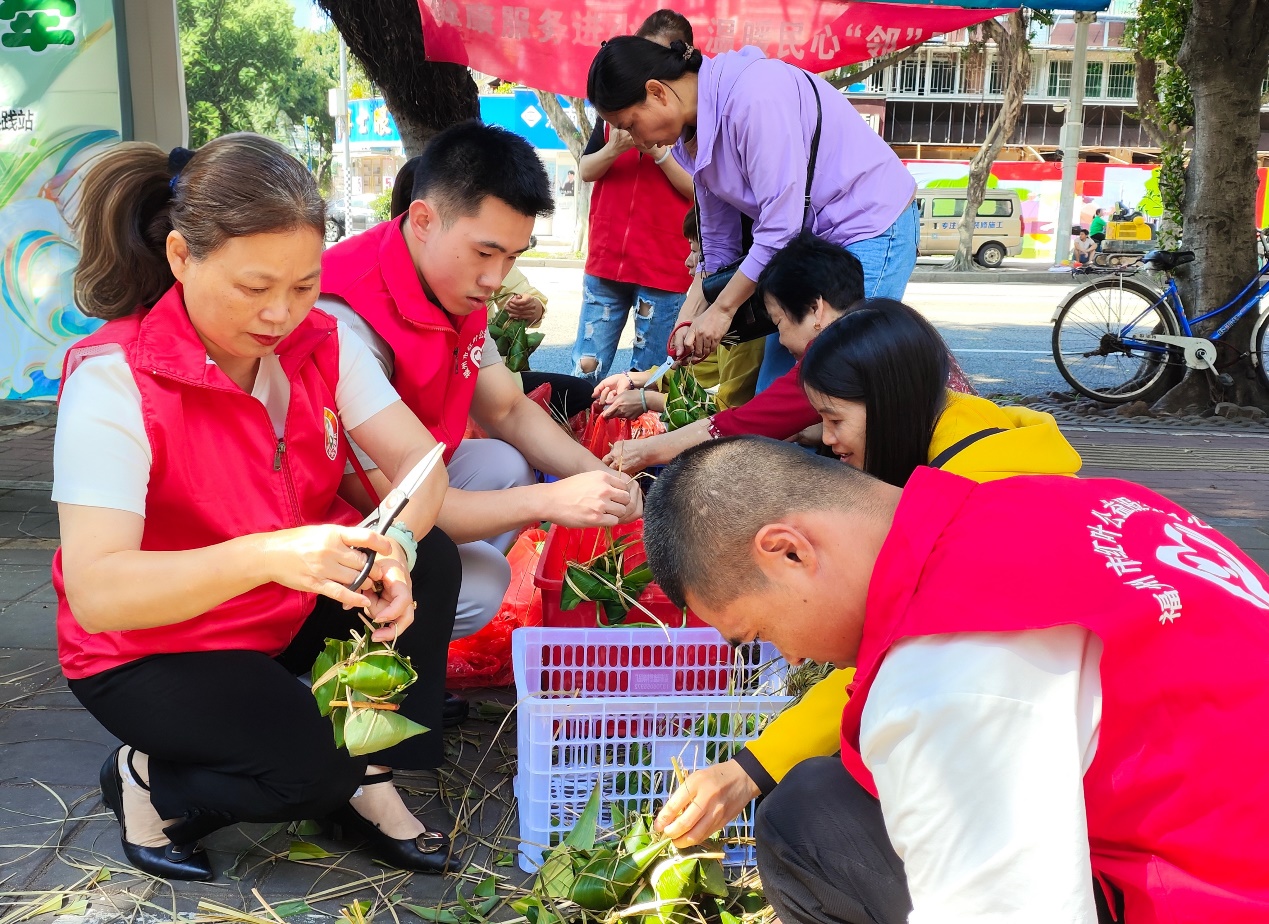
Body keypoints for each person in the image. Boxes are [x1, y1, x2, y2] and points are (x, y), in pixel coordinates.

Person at [644, 437, 1269, 923]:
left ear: (789, 551)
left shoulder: (944, 678)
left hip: (1220, 895)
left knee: (806, 822)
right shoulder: (1045, 498)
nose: (792, 656)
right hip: (1230, 841)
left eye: (759, 635)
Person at [55, 134, 460, 881]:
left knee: (427, 556)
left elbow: (419, 464)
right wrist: (268, 555)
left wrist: (396, 543)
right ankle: (147, 778)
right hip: (150, 649)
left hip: (270, 608)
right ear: (182, 257)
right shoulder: (114, 381)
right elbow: (98, 590)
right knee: (307, 779)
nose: (281, 313)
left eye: (304, 285)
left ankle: (370, 779)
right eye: (254, 287)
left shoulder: (320, 343)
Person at [644, 298, 1082, 842]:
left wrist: (751, 769)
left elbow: (886, 661)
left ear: (888, 403)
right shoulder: (981, 438)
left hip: (1070, 799)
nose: (827, 440)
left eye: (834, 420)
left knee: (808, 814)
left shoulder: (963, 521)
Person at [320, 121, 642, 649]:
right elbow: (396, 504)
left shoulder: (451, 287)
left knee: (503, 463)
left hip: (413, 474)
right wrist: (553, 498)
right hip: (340, 514)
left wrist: (602, 479)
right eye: (485, 253)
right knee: (480, 578)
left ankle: (421, 623)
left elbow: (508, 408)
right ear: (423, 219)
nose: (497, 278)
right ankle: (373, 655)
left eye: (512, 257)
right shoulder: (349, 318)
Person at [586, 34, 918, 392]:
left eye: (630, 125)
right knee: (776, 388)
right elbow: (718, 244)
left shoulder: (754, 97)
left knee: (834, 377)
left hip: (868, 226)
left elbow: (779, 229)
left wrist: (723, 311)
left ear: (657, 92)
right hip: (805, 249)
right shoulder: (692, 136)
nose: (634, 140)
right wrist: (689, 320)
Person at [598, 233, 973, 474]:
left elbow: (730, 426)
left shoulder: (837, 355)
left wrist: (640, 453)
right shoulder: (883, 322)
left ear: (816, 308)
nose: (782, 342)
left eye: (779, 325)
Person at [572, 10, 696, 384]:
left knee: (650, 377)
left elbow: (700, 191)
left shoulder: (689, 116)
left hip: (663, 266)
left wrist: (659, 153)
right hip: (607, 261)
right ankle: (576, 436)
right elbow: (586, 169)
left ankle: (643, 443)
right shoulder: (616, 112)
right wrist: (613, 148)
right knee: (584, 371)